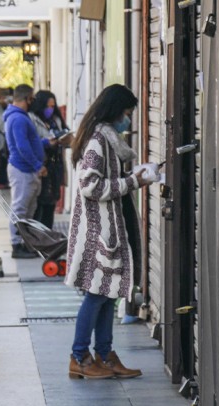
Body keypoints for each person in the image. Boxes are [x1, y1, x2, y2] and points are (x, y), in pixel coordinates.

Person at [66, 83, 154, 380]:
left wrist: (133, 177)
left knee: (107, 293)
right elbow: (90, 185)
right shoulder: (97, 141)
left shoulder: (106, 139)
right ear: (116, 111)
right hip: (98, 232)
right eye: (127, 112)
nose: (128, 119)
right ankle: (79, 356)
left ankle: (104, 354)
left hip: (110, 227)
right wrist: (132, 183)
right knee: (96, 295)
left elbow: (105, 180)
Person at [3, 84, 45, 259]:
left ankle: (25, 243)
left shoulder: (18, 117)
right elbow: (22, 147)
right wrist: (37, 165)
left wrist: (47, 144)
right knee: (20, 209)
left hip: (25, 169)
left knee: (28, 209)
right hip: (23, 169)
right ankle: (16, 244)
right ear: (27, 98)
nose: (33, 102)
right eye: (32, 98)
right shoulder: (18, 119)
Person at [29, 90, 71, 229]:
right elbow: (31, 142)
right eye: (48, 106)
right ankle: (38, 238)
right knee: (40, 205)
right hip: (42, 166)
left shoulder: (56, 120)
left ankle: (48, 235)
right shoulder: (32, 119)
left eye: (53, 106)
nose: (50, 109)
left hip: (55, 166)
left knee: (51, 203)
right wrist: (47, 143)